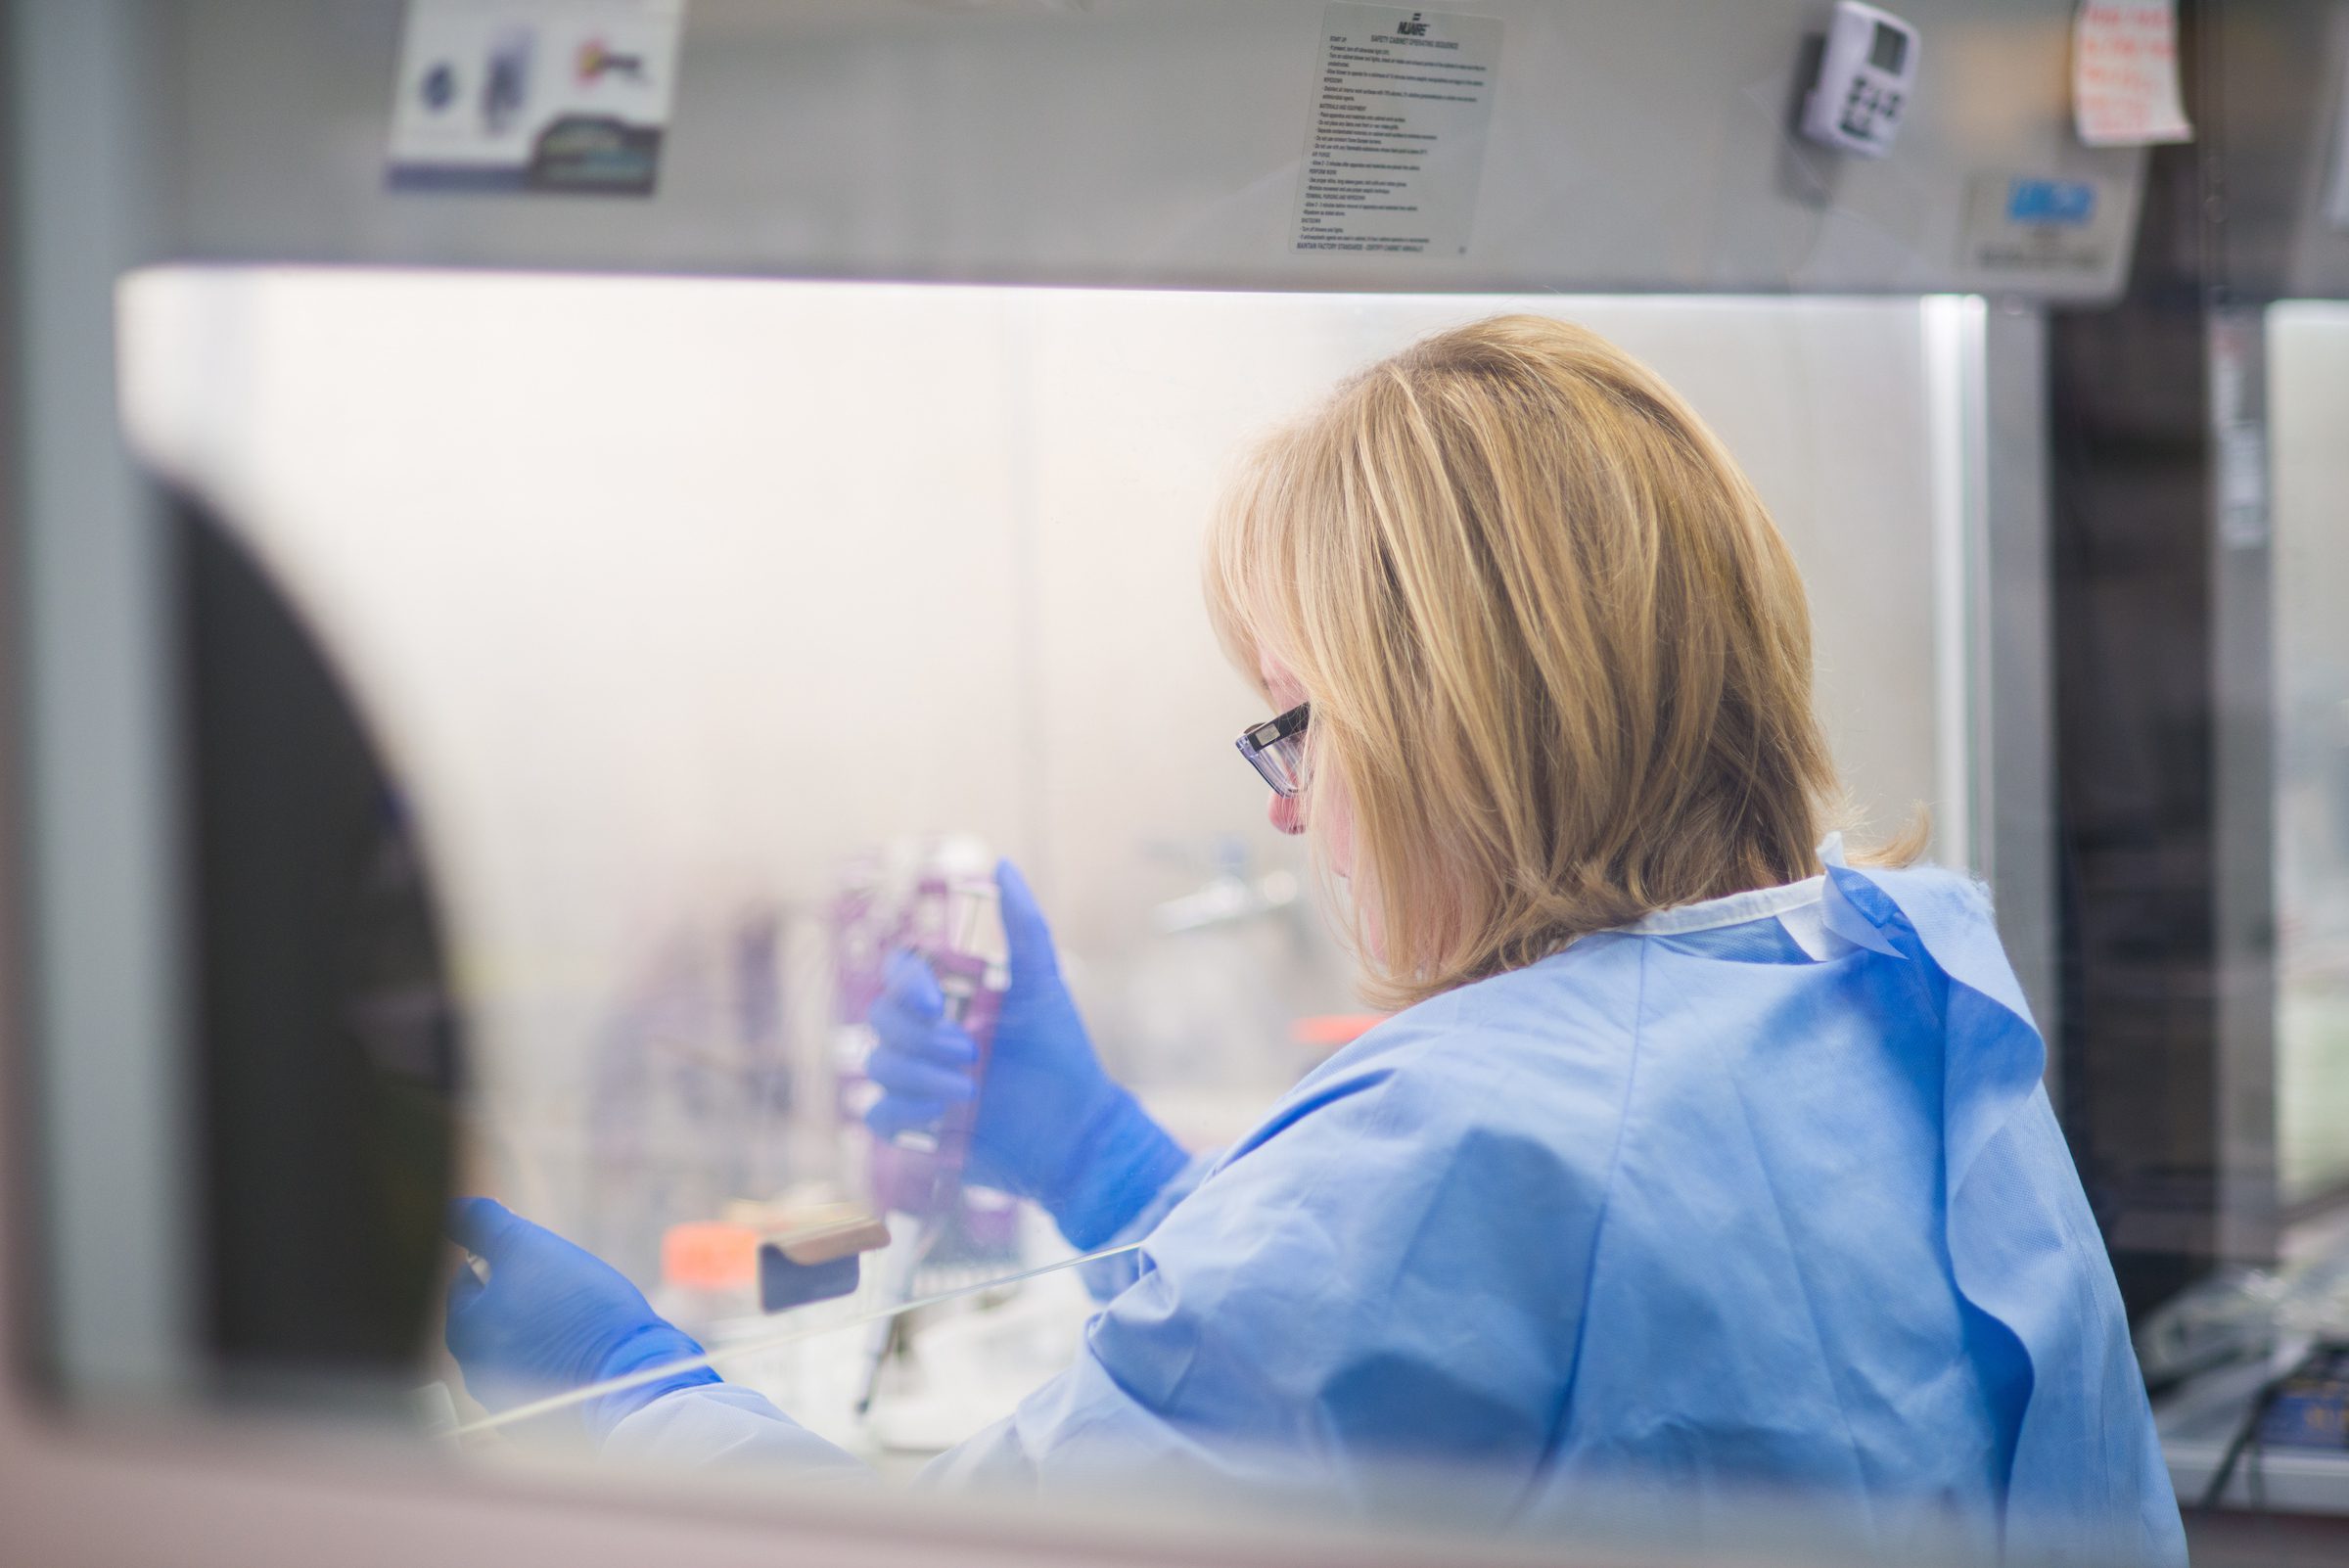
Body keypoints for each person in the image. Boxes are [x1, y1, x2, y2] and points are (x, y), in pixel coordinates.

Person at [443, 316, 2187, 1563]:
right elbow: (1439, 1368)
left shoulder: (1469, 1135)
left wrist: (622, 1390)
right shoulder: (1901, 981)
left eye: (1295, 721)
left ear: (1456, 723)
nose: (1287, 808)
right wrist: (1109, 1163)